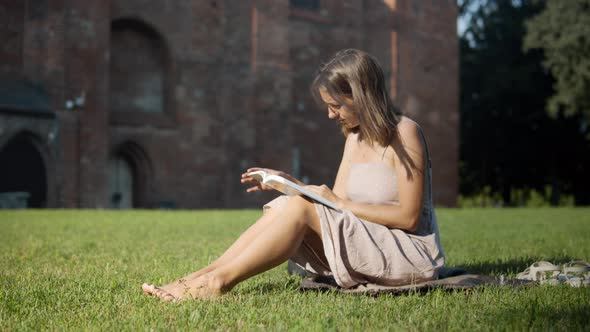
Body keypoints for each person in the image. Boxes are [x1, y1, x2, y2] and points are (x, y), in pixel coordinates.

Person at [142, 49, 445, 301]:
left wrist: (337, 204)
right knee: (289, 204)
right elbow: (332, 208)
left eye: (335, 105)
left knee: (299, 207)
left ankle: (217, 283)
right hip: (368, 241)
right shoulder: (354, 137)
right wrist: (290, 183)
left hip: (409, 253)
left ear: (360, 96)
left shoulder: (406, 133)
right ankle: (199, 277)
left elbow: (408, 218)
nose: (330, 115)